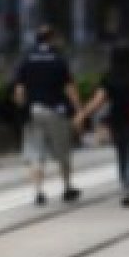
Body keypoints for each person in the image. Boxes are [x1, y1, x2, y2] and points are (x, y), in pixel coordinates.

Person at [12, 25, 83, 206]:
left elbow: (19, 91)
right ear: (51, 39)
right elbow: (69, 88)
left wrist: (22, 111)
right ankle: (67, 187)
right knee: (63, 150)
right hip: (56, 111)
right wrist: (79, 111)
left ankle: (38, 192)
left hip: (34, 111)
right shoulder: (59, 59)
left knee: (35, 152)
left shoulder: (26, 59)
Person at [75, 44, 129, 207]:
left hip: (117, 120)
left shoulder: (108, 77)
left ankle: (125, 187)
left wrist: (83, 114)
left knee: (122, 155)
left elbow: (98, 100)